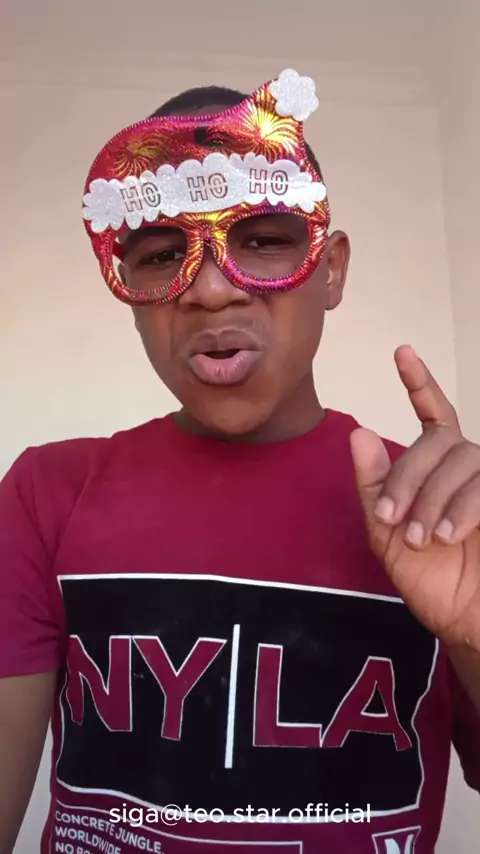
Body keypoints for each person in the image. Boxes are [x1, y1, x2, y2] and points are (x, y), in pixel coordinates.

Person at [1, 68, 479, 854]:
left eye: (261, 241)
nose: (212, 290)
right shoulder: (44, 495)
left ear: (331, 268)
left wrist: (473, 633)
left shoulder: (438, 516)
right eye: (163, 254)